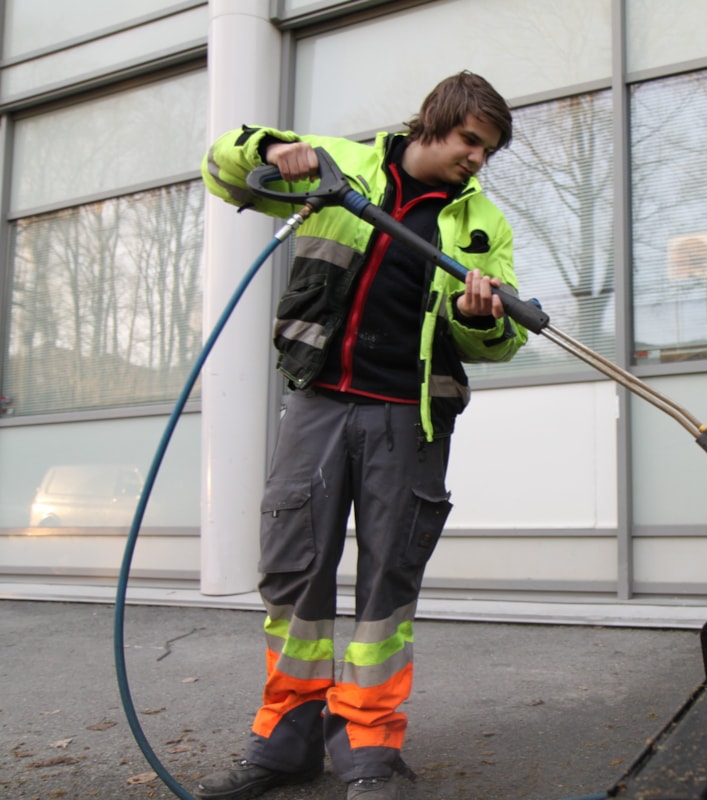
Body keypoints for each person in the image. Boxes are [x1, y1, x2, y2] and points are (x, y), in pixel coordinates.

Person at [196, 71, 527, 800]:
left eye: (488, 150)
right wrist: (278, 148)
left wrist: (481, 316)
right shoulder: (338, 163)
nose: (477, 158)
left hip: (409, 420)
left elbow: (496, 343)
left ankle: (370, 750)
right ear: (433, 121)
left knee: (386, 589)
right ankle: (285, 742)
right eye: (471, 140)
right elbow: (223, 164)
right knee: (292, 573)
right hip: (318, 405)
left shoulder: (483, 228)